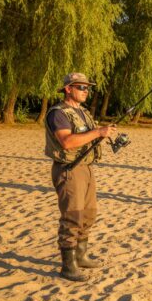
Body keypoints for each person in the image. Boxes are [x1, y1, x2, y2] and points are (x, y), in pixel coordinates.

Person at [44, 72, 117, 282]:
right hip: (69, 169)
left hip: (86, 168)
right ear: (68, 89)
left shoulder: (83, 112)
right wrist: (98, 132)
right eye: (81, 87)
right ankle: (68, 267)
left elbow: (89, 136)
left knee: (89, 214)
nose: (86, 91)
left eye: (87, 88)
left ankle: (81, 255)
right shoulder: (57, 113)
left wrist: (107, 133)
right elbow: (66, 142)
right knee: (72, 217)